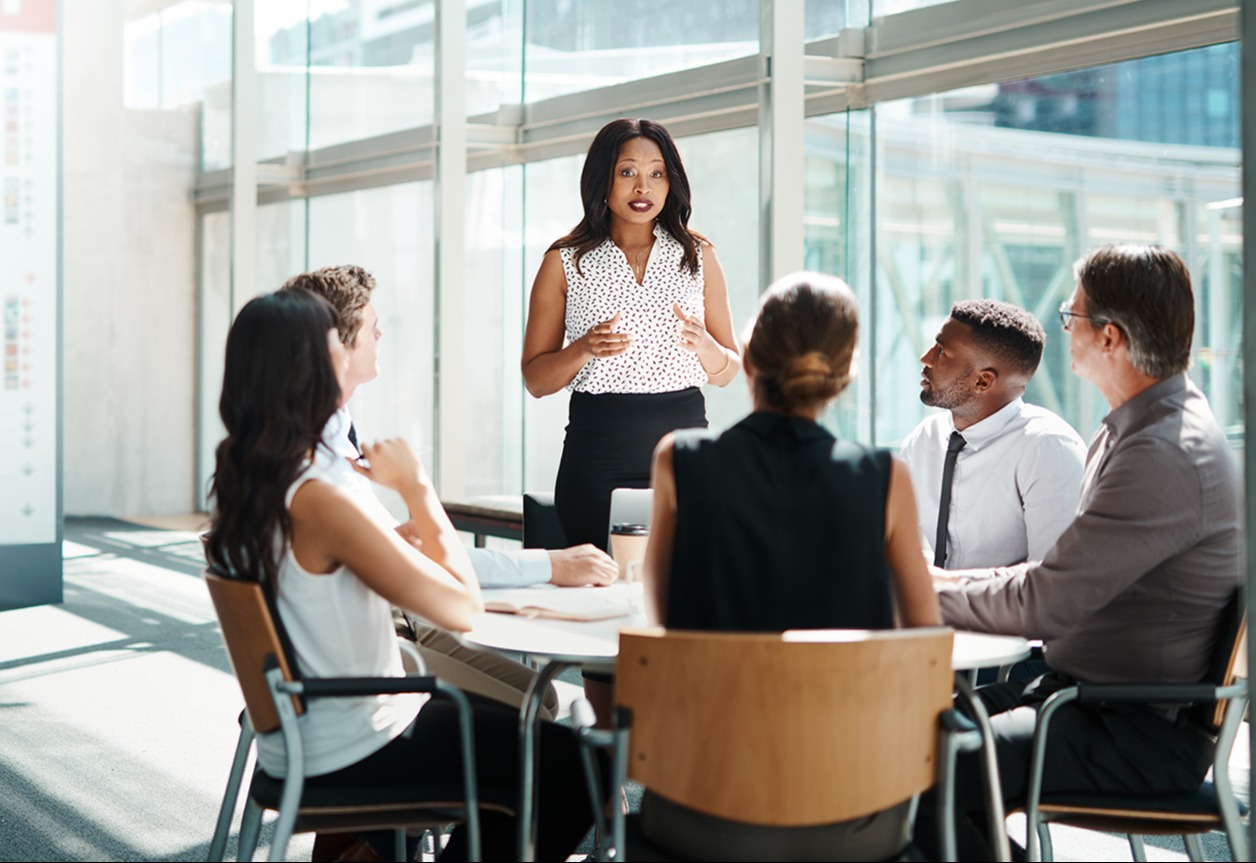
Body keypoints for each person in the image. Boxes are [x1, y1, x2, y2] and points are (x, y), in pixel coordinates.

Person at [204, 288, 599, 862]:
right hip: (358, 740)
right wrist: (418, 489)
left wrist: (394, 540)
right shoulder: (318, 495)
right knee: (577, 766)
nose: (344, 357)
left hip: (313, 730)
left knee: (535, 752)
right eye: (332, 349)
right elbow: (461, 609)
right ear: (308, 369)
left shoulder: (252, 475)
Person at [921, 245, 1243, 860]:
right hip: (1083, 699)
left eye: (1074, 316)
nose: (1064, 327)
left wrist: (924, 592)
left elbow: (1049, 601)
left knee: (919, 771)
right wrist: (935, 581)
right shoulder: (1139, 428)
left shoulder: (1164, 452)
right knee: (909, 739)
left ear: (1111, 339)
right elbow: (1056, 575)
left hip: (1126, 728)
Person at [282, 265, 617, 719]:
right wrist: (416, 486)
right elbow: (452, 596)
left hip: (372, 630)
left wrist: (396, 543)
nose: (381, 333)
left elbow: (394, 555)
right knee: (535, 711)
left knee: (544, 695)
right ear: (335, 345)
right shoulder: (319, 474)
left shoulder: (322, 443)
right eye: (369, 324)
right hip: (366, 660)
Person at [643, 271, 942, 632]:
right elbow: (925, 638)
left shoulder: (677, 458)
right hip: (844, 689)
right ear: (846, 374)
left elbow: (660, 623)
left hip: (708, 688)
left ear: (749, 360)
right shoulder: (886, 477)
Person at [521, 117, 740, 550]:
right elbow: (536, 379)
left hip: (685, 458)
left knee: (683, 588)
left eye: (657, 173)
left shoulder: (699, 256)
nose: (644, 187)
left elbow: (728, 370)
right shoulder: (565, 260)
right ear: (602, 179)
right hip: (597, 459)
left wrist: (705, 346)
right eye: (628, 173)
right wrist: (583, 348)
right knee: (604, 584)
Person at [901, 299, 1086, 569]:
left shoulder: (1048, 449)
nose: (926, 358)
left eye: (941, 352)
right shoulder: (925, 439)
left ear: (982, 381)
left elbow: (1054, 583)